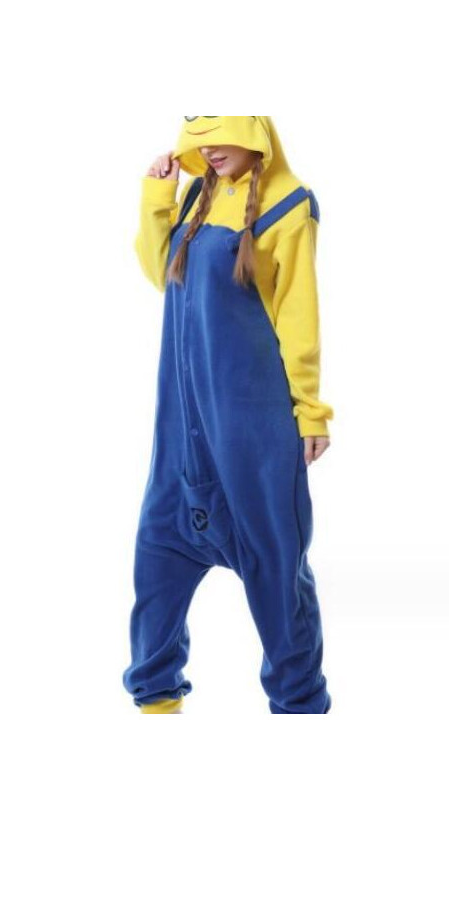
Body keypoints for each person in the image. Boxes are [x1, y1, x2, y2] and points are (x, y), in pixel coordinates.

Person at [122, 116, 335, 714]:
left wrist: (310, 412)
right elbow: (161, 273)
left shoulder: (289, 205)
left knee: (277, 584)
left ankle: (300, 709)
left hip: (253, 436)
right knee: (155, 574)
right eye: (199, 134)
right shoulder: (198, 193)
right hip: (181, 432)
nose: (209, 147)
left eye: (221, 132)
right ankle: (157, 705)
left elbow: (298, 314)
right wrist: (157, 197)